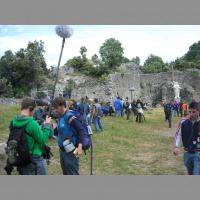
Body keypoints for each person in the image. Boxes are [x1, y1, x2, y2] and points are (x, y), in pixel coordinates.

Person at [12, 97, 52, 175]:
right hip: (34, 159)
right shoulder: (32, 123)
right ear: (30, 108)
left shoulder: (14, 122)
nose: (33, 111)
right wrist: (47, 125)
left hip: (21, 158)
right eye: (33, 108)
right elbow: (43, 140)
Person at [52, 97, 84, 175]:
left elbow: (80, 130)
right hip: (62, 152)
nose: (55, 110)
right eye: (54, 108)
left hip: (71, 152)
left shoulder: (69, 116)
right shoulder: (60, 117)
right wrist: (53, 121)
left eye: (57, 108)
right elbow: (56, 133)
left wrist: (80, 147)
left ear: (63, 106)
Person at [173, 101, 200, 175]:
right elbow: (178, 134)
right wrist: (176, 147)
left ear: (198, 111)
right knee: (190, 173)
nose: (191, 114)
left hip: (198, 154)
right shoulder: (183, 121)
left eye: (193, 112)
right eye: (190, 112)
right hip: (187, 153)